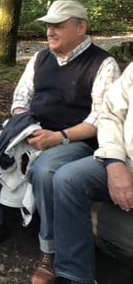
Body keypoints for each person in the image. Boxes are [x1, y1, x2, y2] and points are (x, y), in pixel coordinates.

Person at [0, 0, 121, 284]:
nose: (50, 31)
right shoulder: (40, 58)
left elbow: (101, 119)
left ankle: (52, 251)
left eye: (58, 25)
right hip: (33, 130)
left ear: (80, 27)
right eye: (48, 25)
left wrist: (58, 137)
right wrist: (25, 126)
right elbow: (21, 99)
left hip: (75, 139)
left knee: (46, 172)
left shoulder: (103, 64)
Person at [52, 62, 133, 284]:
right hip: (126, 158)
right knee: (69, 179)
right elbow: (110, 114)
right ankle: (74, 274)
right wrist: (115, 163)